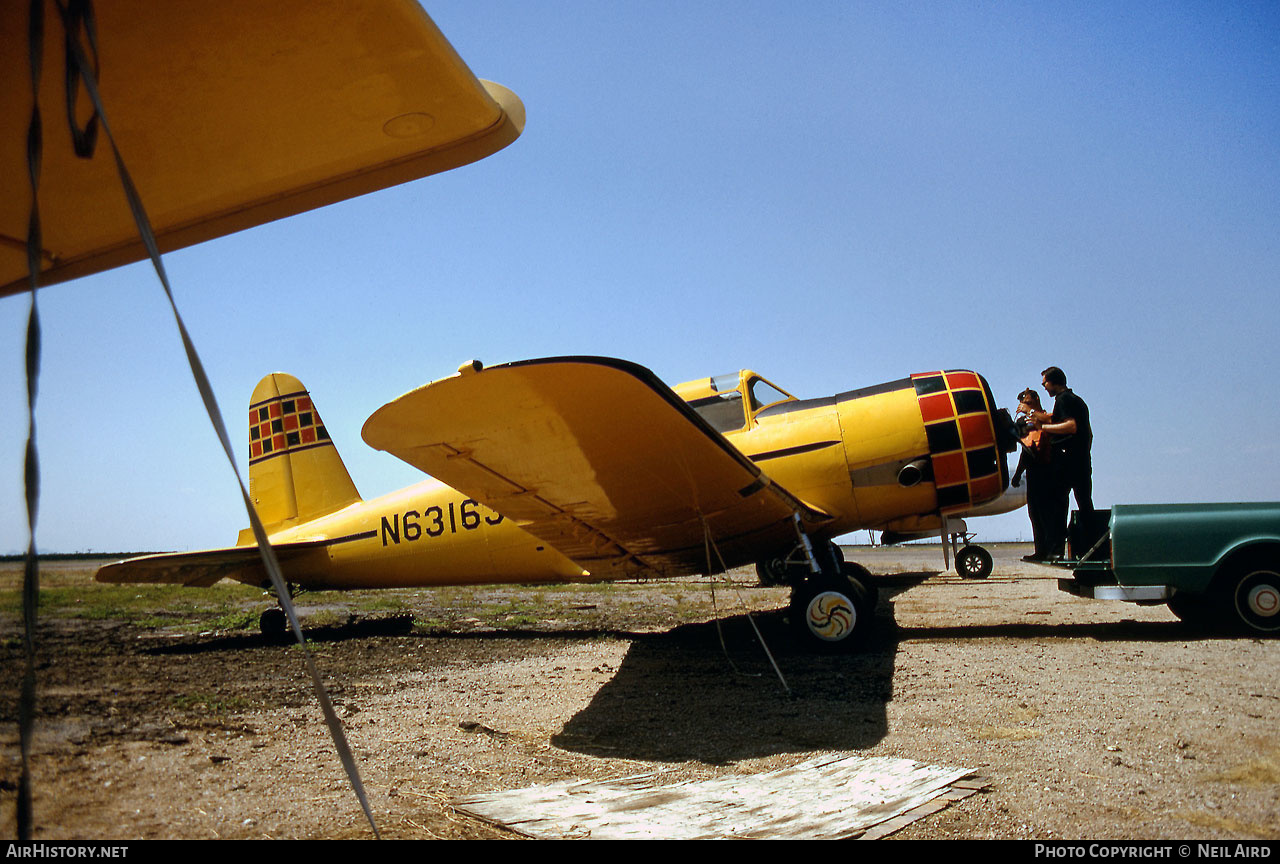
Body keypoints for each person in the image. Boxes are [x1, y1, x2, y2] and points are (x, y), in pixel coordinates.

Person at [1029, 366, 1092, 559]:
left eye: (1045, 383)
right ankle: (1090, 545)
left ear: (1053, 381)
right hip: (1079, 462)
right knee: (1084, 504)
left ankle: (1055, 550)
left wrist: (1045, 429)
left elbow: (1071, 426)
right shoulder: (1073, 400)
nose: (1044, 387)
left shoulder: (1064, 400)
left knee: (1056, 506)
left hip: (1067, 463)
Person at [1012, 388, 1052, 561]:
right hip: (1033, 472)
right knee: (1034, 513)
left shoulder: (1044, 418)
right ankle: (1041, 550)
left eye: (1027, 403)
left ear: (1035, 400)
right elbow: (1026, 451)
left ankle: (1050, 549)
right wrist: (1018, 473)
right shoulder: (1027, 423)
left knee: (1045, 512)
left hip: (1046, 471)